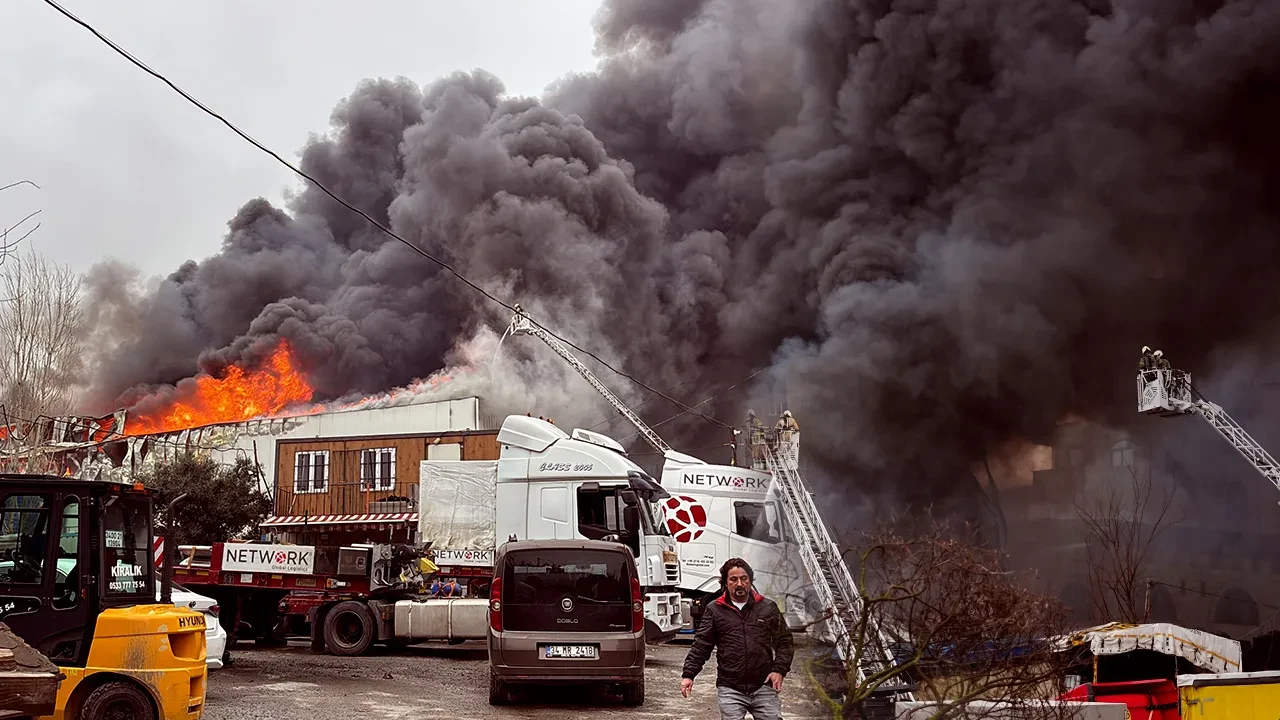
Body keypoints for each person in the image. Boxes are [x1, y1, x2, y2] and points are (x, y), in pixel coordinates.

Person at [681, 558, 793, 720]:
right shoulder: (715, 610)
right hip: (730, 688)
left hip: (763, 685)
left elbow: (784, 641)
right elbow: (701, 645)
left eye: (744, 578)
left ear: (750, 580)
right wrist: (688, 675)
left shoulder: (767, 607)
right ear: (725, 583)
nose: (739, 583)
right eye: (733, 579)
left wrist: (779, 670)